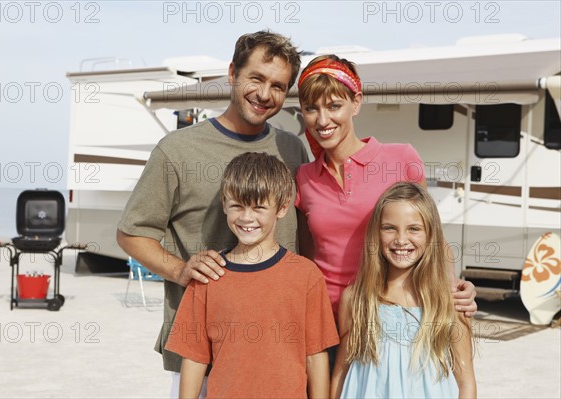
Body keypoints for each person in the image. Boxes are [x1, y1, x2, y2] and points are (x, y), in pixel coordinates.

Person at [116, 30, 308, 388]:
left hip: (279, 348)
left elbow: (305, 235)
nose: (265, 94)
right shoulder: (177, 150)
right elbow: (131, 233)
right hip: (202, 353)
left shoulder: (291, 149)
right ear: (233, 73)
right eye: (256, 78)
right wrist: (180, 269)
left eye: (279, 86)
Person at [295, 55, 476, 321]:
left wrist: (454, 286)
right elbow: (308, 259)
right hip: (326, 321)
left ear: (356, 103)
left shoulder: (401, 159)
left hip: (389, 317)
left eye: (334, 106)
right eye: (312, 109)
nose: (323, 120)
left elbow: (433, 236)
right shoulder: (304, 177)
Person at [165, 152, 339, 398]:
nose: (246, 218)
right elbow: (194, 357)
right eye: (237, 206)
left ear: (282, 207)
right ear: (224, 204)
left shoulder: (306, 276)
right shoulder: (207, 276)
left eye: (259, 207)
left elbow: (316, 355)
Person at [331, 182, 477, 398]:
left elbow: (466, 383)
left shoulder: (449, 302)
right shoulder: (356, 300)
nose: (400, 240)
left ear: (431, 235)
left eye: (414, 229)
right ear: (376, 233)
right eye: (389, 228)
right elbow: (340, 375)